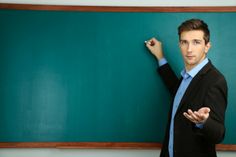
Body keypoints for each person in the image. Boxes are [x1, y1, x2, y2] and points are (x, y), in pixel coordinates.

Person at [145, 19, 228, 157]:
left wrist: (204, 122)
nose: (189, 49)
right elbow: (176, 91)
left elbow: (219, 134)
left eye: (196, 42)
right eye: (184, 42)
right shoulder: (186, 77)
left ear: (207, 46)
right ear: (180, 45)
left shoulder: (215, 81)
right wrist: (160, 57)